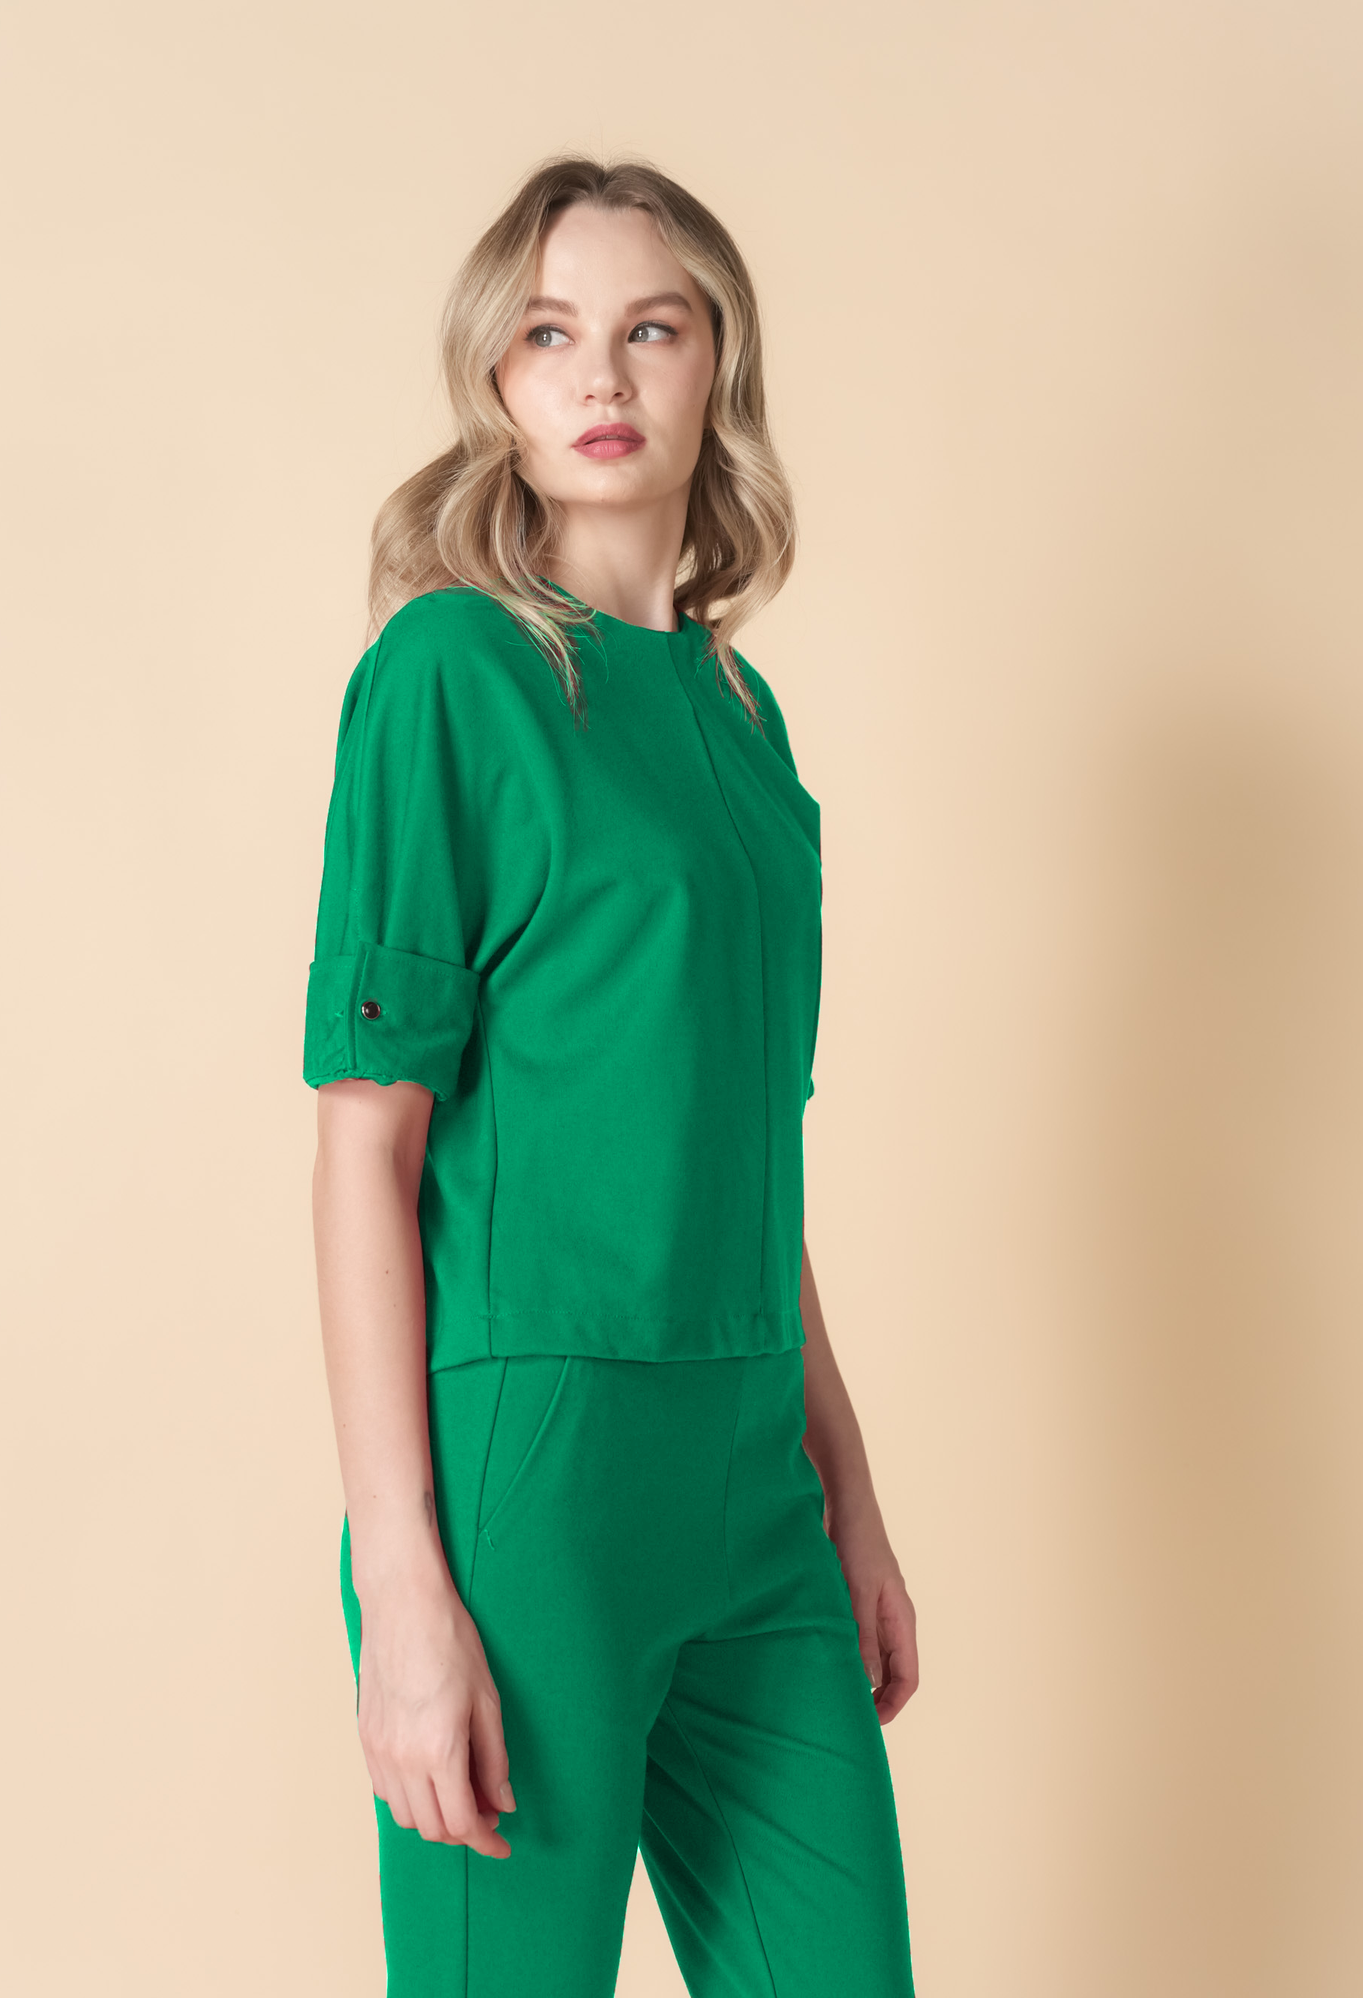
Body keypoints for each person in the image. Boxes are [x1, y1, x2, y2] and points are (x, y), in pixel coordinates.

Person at [305, 153, 918, 1997]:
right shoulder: (454, 672)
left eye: (650, 329)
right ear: (496, 378)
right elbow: (365, 1148)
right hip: (537, 1483)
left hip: (753, 1474)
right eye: (549, 334)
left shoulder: (743, 718)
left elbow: (742, 1149)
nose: (600, 376)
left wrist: (846, 1485)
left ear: (717, 360)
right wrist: (406, 1582)